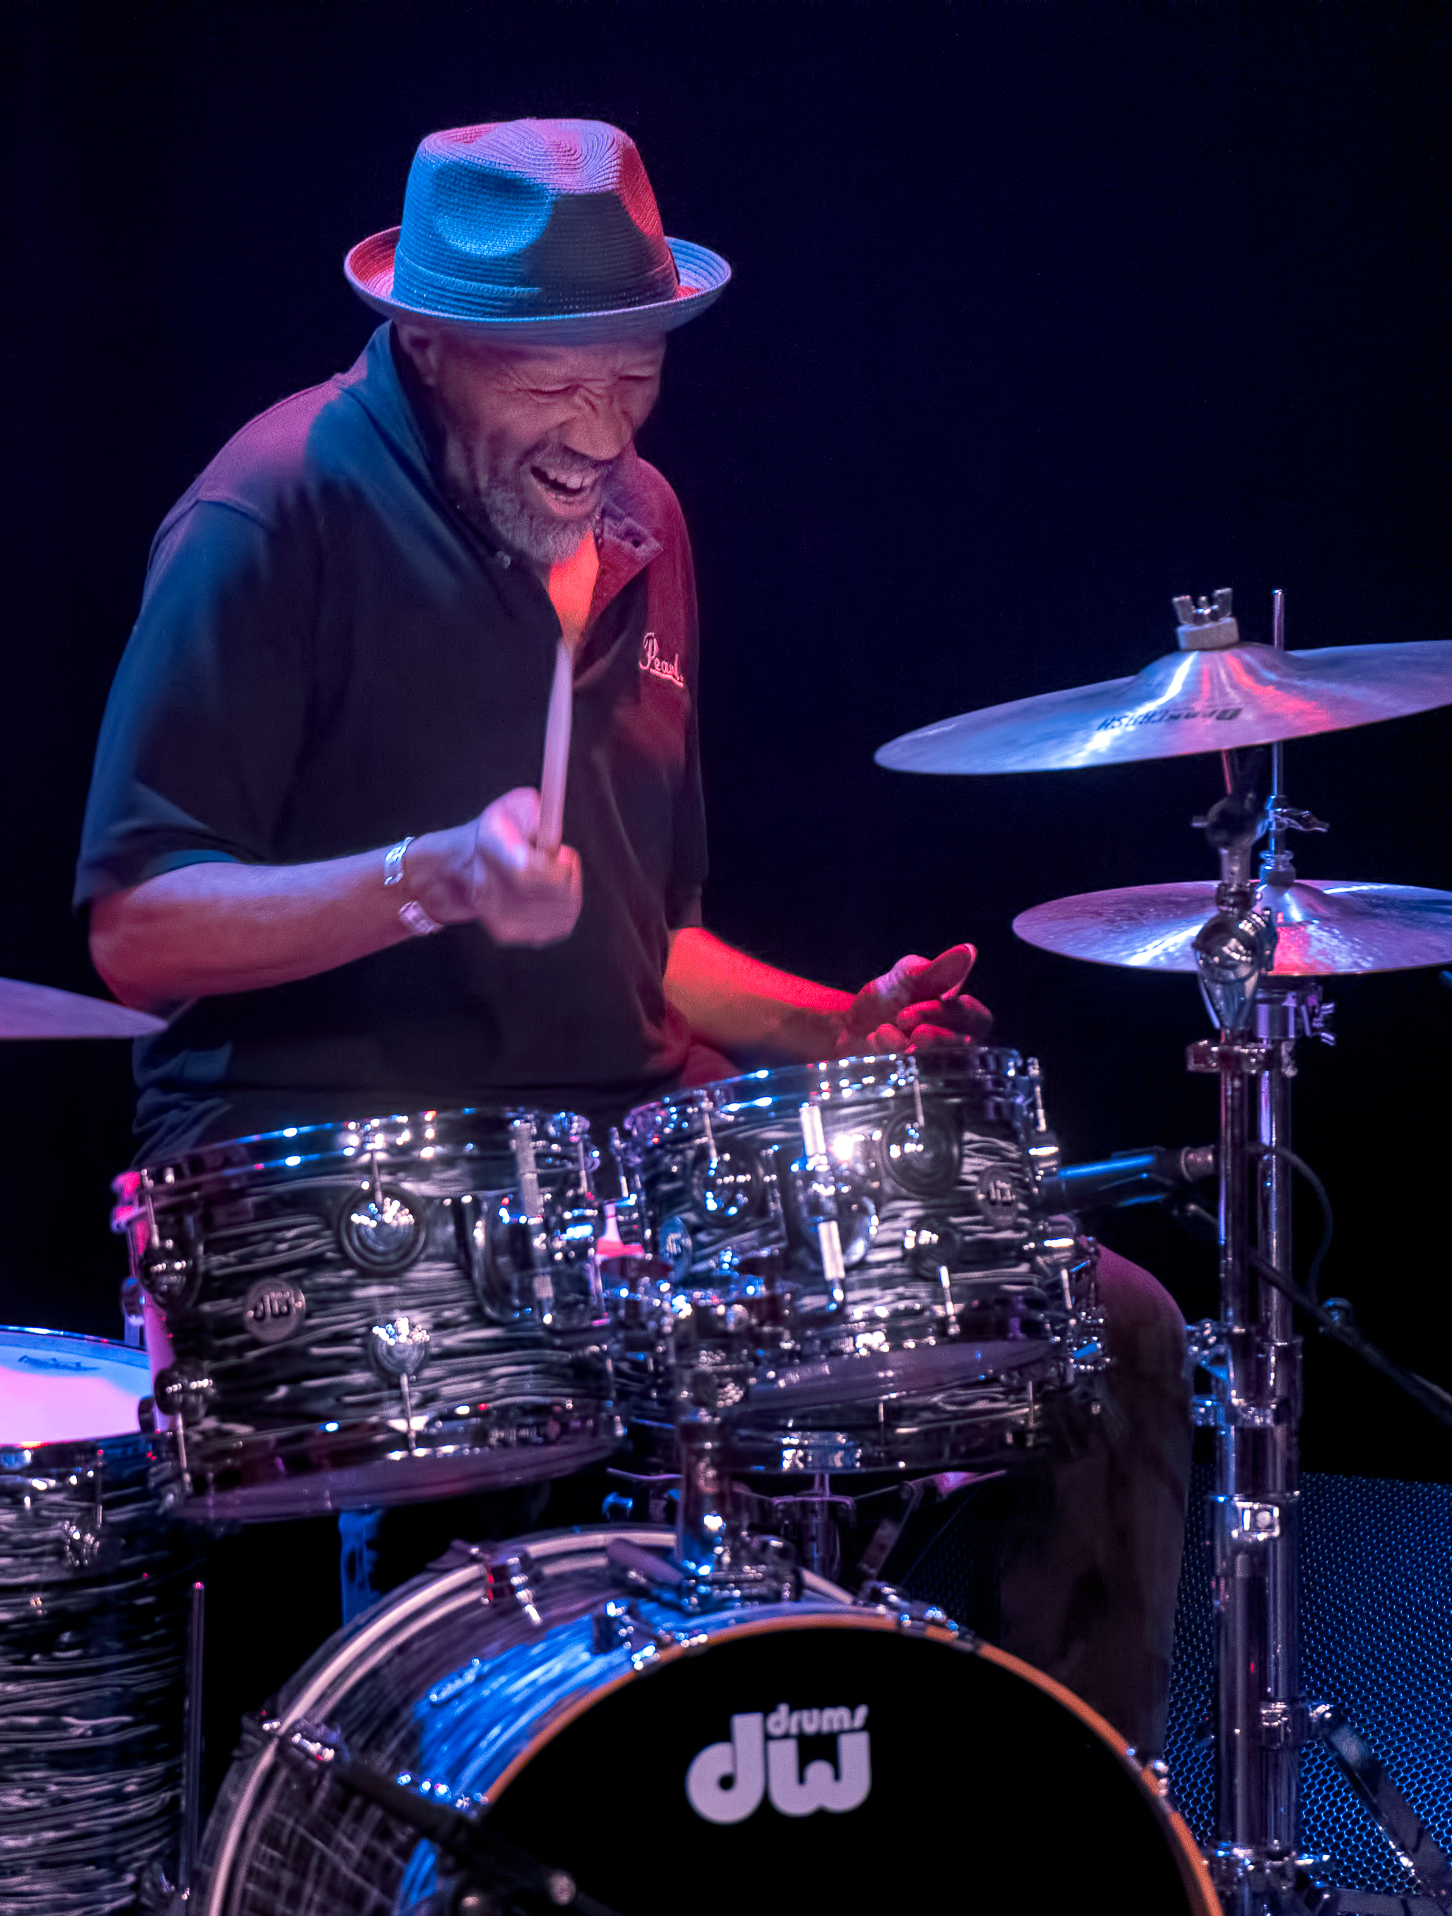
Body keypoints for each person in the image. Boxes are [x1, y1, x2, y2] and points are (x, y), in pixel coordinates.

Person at [74, 119, 1187, 1760]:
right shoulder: (275, 514)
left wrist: (829, 1027)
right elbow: (136, 930)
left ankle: (1058, 1855)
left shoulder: (645, 522)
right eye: (555, 380)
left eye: (637, 376)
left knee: (1111, 1329)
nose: (601, 428)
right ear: (432, 344)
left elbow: (645, 940)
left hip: (627, 1181)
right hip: (362, 1196)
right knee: (506, 1471)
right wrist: (428, 877)